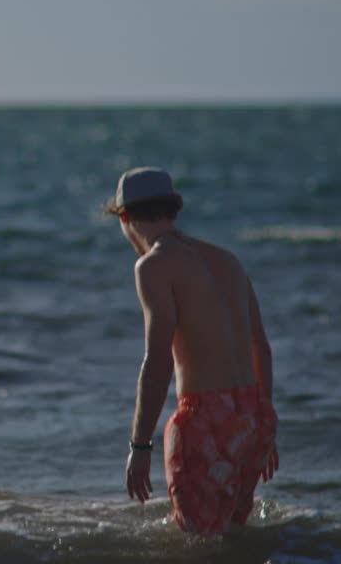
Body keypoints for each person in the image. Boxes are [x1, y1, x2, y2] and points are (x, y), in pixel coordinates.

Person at [105, 167, 278, 534]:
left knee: (198, 546)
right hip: (255, 416)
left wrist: (140, 446)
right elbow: (260, 347)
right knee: (233, 541)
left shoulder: (152, 266)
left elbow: (157, 361)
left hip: (206, 421)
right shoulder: (228, 260)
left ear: (124, 217)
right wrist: (266, 424)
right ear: (173, 210)